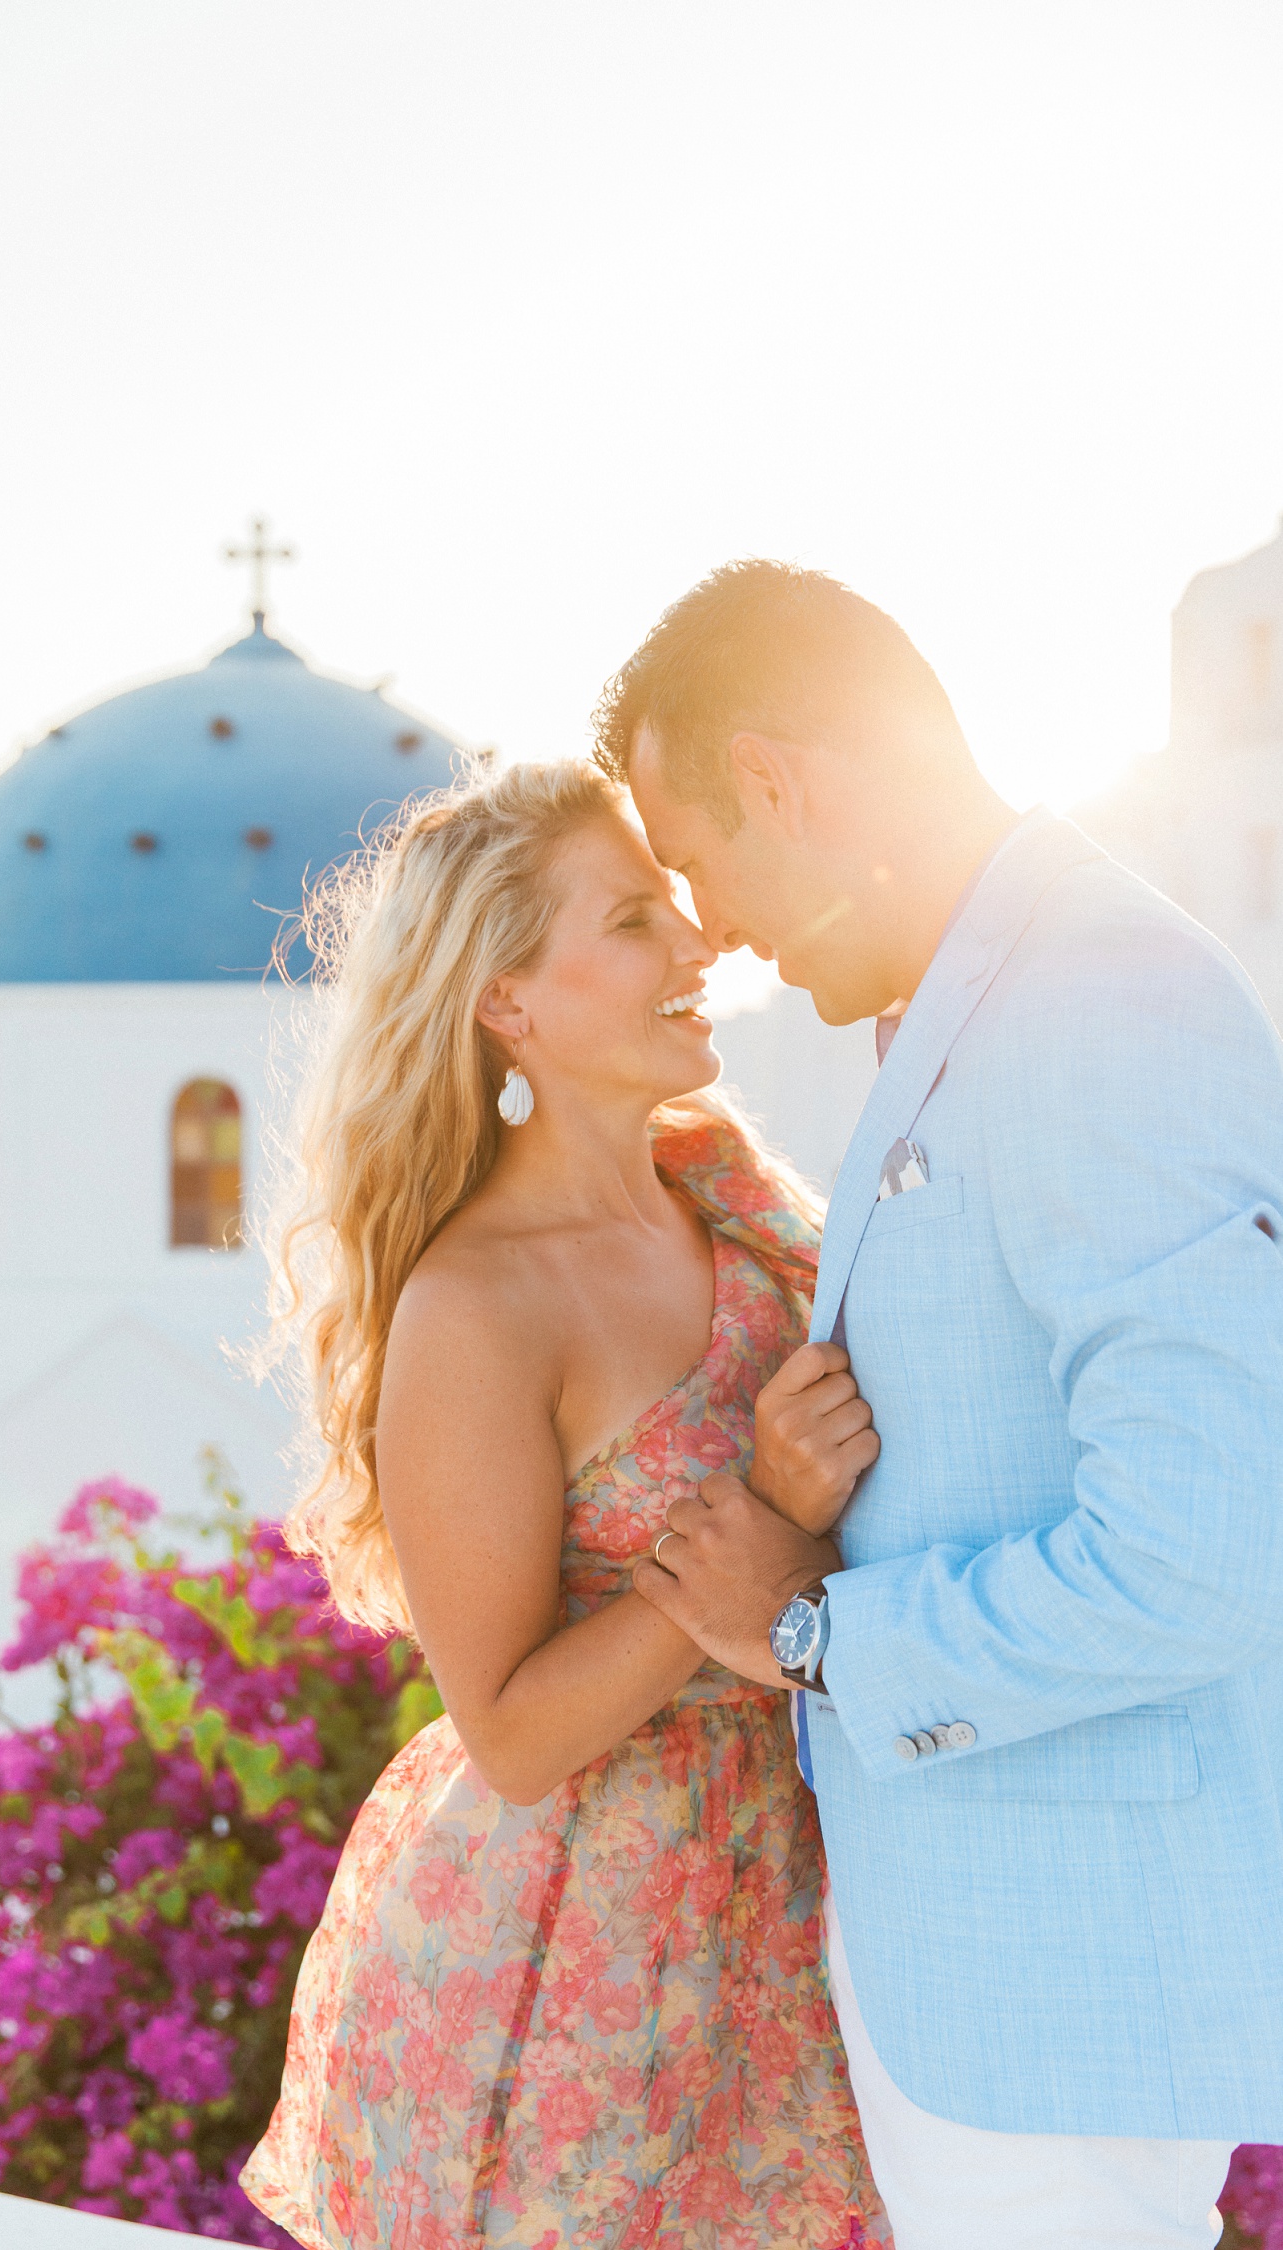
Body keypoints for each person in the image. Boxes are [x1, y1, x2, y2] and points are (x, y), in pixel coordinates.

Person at [591, 560, 1283, 2250]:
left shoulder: (1094, 997)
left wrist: (818, 1631)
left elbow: (1205, 1548)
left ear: (778, 780)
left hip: (1062, 2002)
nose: (709, 930)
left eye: (695, 863)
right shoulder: (989, 985)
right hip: (1006, 1984)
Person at [240, 761, 891, 2249]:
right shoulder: (478, 1302)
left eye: (674, 908)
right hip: (585, 1966)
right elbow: (514, 1735)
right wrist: (753, 1513)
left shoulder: (730, 1192)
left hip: (805, 1909)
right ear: (507, 1000)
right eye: (632, 922)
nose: (694, 947)